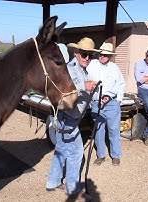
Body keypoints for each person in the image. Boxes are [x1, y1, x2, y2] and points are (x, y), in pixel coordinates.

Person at [46, 37, 98, 202]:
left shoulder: (83, 71)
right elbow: (65, 88)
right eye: (84, 54)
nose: (87, 58)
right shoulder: (69, 69)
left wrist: (97, 97)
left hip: (69, 118)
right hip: (67, 118)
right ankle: (73, 189)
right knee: (76, 153)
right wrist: (85, 86)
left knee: (61, 149)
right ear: (76, 53)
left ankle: (53, 181)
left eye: (90, 55)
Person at [87, 42, 125, 166]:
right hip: (96, 103)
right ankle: (101, 155)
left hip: (112, 103)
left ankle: (115, 155)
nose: (103, 56)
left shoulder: (114, 68)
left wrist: (118, 100)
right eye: (101, 54)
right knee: (98, 130)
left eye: (106, 55)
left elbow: (121, 84)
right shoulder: (91, 65)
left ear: (110, 56)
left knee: (114, 130)